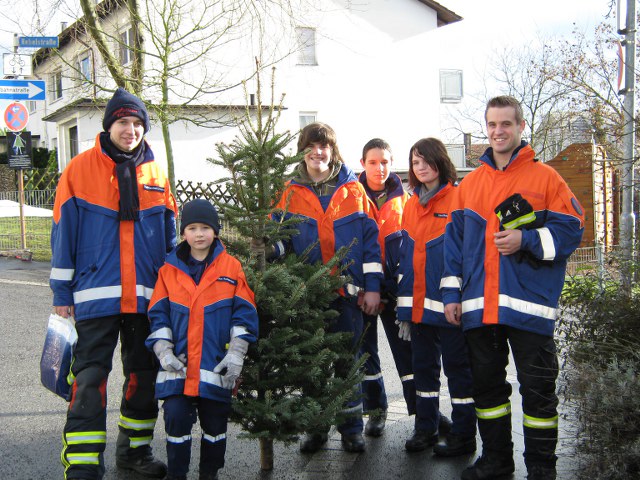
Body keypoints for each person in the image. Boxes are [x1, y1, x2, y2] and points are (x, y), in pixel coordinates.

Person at [441, 96, 585, 480]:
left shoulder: (546, 178)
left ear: (521, 127)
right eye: (492, 124)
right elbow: (453, 249)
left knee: (537, 392)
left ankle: (541, 468)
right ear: (486, 129)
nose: (498, 131)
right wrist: (451, 296)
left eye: (506, 124)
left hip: (529, 309)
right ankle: (497, 461)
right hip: (478, 308)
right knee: (488, 393)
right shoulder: (468, 186)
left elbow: (572, 231)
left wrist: (527, 240)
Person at [50, 88, 177, 480]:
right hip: (94, 298)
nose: (131, 130)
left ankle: (134, 452)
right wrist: (61, 294)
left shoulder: (156, 173)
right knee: (89, 379)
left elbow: (171, 238)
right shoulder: (79, 169)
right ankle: (84, 464)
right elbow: (62, 234)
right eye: (124, 122)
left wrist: (171, 292)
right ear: (109, 125)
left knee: (144, 377)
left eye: (138, 124)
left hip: (145, 299)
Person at [272, 122, 382, 453]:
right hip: (306, 298)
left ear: (332, 150)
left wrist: (373, 287)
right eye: (312, 146)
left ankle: (351, 429)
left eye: (324, 146)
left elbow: (371, 245)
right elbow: (280, 243)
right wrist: (264, 246)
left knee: (348, 363)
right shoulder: (288, 193)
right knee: (312, 367)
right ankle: (315, 429)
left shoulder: (354, 191)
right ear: (302, 150)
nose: (318, 152)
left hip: (347, 298)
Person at [146, 199, 259, 480]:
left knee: (215, 425)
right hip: (178, 371)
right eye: (192, 227)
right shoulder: (168, 271)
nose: (199, 234)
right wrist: (164, 353)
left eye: (205, 227)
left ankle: (210, 474)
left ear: (216, 231)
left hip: (214, 369)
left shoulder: (231, 269)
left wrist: (236, 354)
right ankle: (177, 474)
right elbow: (158, 316)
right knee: (175, 420)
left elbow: (244, 316)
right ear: (183, 232)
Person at [396, 138, 476, 455]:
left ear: (440, 162)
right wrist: (405, 312)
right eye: (416, 162)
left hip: (450, 306)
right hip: (419, 310)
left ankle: (463, 434)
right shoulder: (411, 206)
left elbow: (465, 256)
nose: (422, 167)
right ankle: (425, 429)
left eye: (426, 160)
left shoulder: (458, 199)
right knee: (424, 372)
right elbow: (406, 263)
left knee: (458, 371)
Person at [357, 138, 413, 437]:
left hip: (394, 291)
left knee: (407, 352)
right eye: (373, 162)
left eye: (385, 162)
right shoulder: (351, 198)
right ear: (363, 164)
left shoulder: (406, 200)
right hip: (364, 290)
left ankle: (422, 412)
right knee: (367, 354)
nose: (380, 168)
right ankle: (376, 412)